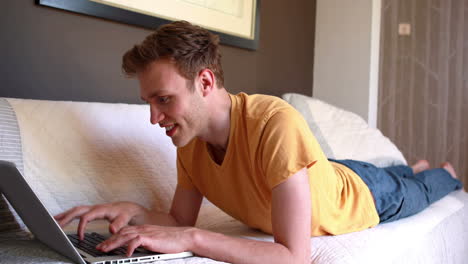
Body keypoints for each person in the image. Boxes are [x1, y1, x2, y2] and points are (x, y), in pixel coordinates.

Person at [54, 21, 463, 264]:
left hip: (361, 195)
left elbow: (293, 257)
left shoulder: (274, 123)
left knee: (422, 187)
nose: (154, 117)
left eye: (164, 100)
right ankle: (415, 167)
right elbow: (180, 221)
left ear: (206, 82)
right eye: (148, 102)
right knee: (388, 171)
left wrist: (195, 240)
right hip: (323, 175)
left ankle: (438, 171)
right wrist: (135, 213)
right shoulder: (190, 141)